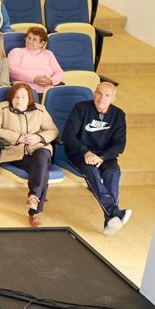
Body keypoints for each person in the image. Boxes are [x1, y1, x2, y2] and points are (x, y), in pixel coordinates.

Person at [63, 81, 131, 234]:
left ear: (113, 98)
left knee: (113, 173)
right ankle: (114, 211)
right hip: (80, 153)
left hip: (105, 156)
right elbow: (68, 135)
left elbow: (119, 145)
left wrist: (103, 157)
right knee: (91, 171)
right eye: (99, 93)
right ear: (94, 93)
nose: (102, 98)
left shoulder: (118, 115)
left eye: (107, 95)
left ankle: (111, 217)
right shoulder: (81, 108)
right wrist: (85, 151)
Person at [0, 82, 58, 227]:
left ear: (30, 98)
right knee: (42, 170)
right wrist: (17, 137)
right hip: (15, 154)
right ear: (11, 98)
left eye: (23, 97)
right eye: (16, 97)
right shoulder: (3, 108)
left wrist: (38, 138)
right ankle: (36, 211)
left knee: (42, 156)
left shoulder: (40, 110)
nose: (19, 100)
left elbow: (53, 130)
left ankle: (34, 197)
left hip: (38, 149)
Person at [8, 26, 66, 95]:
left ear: (42, 43)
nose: (30, 41)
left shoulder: (48, 53)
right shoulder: (16, 52)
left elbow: (59, 72)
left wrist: (51, 81)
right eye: (29, 38)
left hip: (48, 88)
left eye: (34, 39)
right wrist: (34, 79)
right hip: (24, 90)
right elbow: (12, 70)